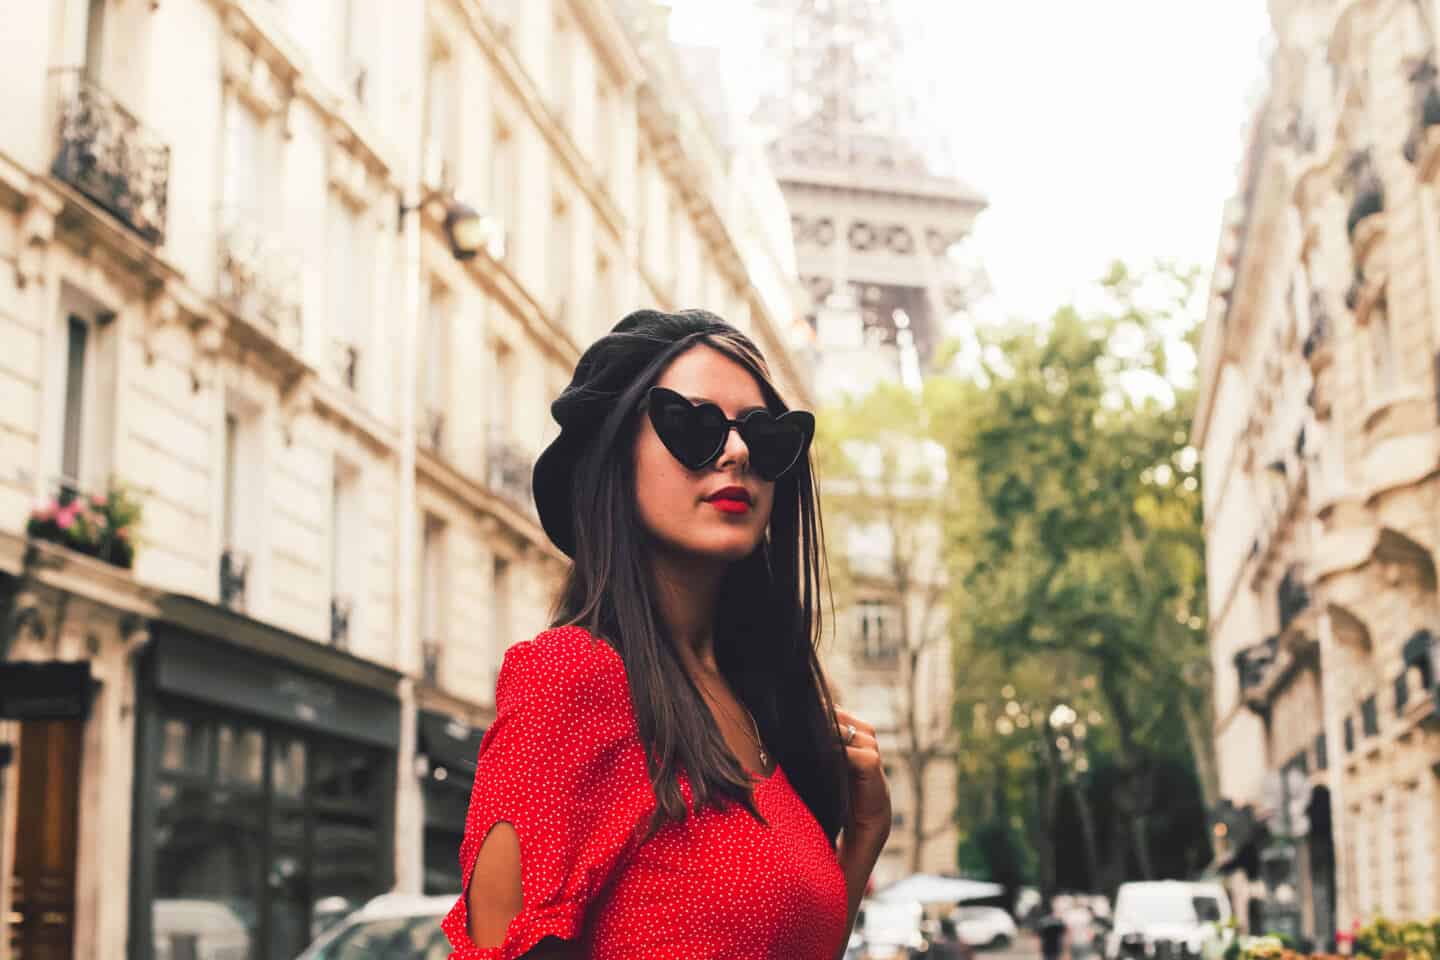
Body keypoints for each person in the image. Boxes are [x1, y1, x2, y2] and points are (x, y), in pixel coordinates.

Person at [441, 309, 892, 959]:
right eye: (693, 425)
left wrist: (865, 835)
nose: (736, 451)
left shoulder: (754, 705)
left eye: (765, 437)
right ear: (616, 457)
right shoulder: (570, 677)